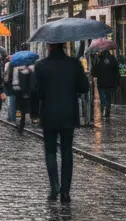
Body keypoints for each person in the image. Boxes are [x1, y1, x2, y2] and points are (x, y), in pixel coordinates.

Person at [30, 42, 89, 202]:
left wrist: (34, 112)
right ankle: (65, 191)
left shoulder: (41, 65)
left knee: (50, 151)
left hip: (49, 113)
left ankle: (54, 185)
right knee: (67, 151)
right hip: (69, 113)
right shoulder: (74, 64)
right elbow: (84, 87)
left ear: (49, 46)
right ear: (63, 45)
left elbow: (36, 91)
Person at [7, 52, 36, 133]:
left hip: (16, 88)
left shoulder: (13, 64)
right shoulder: (30, 65)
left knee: (17, 106)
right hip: (25, 89)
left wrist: (10, 87)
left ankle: (18, 121)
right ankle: (22, 121)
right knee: (24, 106)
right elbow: (31, 77)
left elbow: (9, 76)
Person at [90, 47, 120, 123]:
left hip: (101, 83)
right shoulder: (113, 59)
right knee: (108, 97)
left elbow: (94, 73)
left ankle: (103, 109)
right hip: (110, 83)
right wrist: (117, 83)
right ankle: (107, 111)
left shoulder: (99, 60)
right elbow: (117, 71)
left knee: (102, 98)